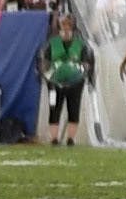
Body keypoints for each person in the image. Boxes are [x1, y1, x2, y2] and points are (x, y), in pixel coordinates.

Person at [40, 14, 93, 148]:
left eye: (69, 25)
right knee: (54, 109)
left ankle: (71, 139)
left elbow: (87, 62)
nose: (67, 28)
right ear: (59, 26)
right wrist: (47, 73)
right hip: (54, 82)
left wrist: (82, 71)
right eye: (64, 24)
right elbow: (43, 62)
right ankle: (54, 139)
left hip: (75, 82)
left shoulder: (81, 44)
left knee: (74, 109)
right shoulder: (51, 44)